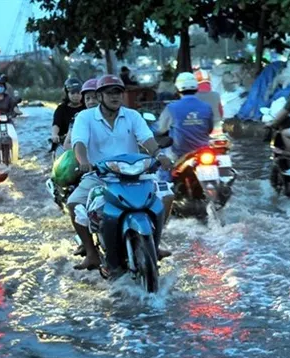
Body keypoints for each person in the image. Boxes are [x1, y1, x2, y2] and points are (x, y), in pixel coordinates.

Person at [68, 74, 172, 273]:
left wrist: (159, 155)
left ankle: (154, 243)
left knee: (166, 195)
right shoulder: (85, 117)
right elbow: (78, 142)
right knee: (74, 203)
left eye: (118, 92)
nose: (115, 97)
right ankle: (91, 254)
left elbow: (146, 138)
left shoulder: (132, 115)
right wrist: (84, 162)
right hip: (100, 175)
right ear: (99, 96)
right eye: (109, 93)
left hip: (134, 173)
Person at [154, 72, 214, 182]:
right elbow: (209, 129)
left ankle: (166, 192)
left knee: (162, 164)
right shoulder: (206, 107)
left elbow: (160, 129)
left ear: (178, 88)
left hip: (179, 154)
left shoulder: (171, 108)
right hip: (203, 152)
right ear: (196, 87)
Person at [62, 78, 98, 150]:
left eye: (95, 98)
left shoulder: (116, 116)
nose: (91, 102)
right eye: (88, 98)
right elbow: (66, 145)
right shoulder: (78, 118)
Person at [51, 78, 85, 146]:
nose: (76, 96)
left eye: (78, 93)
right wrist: (54, 134)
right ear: (67, 94)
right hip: (64, 142)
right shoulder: (61, 108)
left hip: (83, 140)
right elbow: (56, 124)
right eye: (72, 93)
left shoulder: (86, 108)